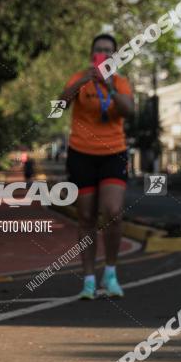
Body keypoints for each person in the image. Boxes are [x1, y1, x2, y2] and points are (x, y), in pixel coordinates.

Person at [59, 33, 136, 299]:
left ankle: (111, 273)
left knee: (113, 211)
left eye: (108, 51)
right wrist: (85, 80)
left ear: (116, 57)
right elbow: (60, 104)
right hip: (81, 154)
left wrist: (110, 87)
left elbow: (129, 111)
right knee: (87, 217)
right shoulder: (80, 78)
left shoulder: (121, 83)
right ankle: (89, 279)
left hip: (114, 154)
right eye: (99, 50)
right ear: (92, 55)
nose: (103, 54)